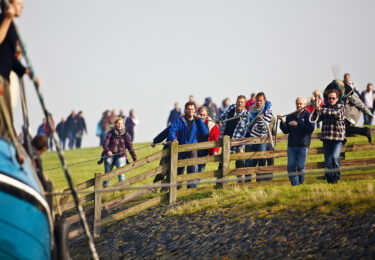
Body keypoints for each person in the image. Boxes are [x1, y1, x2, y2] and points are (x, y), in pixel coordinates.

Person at [0, 0, 40, 122]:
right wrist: (7, 19)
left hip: (5, 78)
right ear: (9, 5)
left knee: (6, 125)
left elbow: (10, 58)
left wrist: (26, 71)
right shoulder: (3, 20)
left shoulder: (12, 26)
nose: (22, 6)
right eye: (18, 3)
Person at [169, 102, 208, 188]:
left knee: (192, 169)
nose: (190, 111)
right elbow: (172, 130)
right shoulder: (180, 121)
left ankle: (190, 189)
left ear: (195, 110)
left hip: (193, 148)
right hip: (181, 148)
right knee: (179, 169)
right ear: (185, 110)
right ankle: (177, 189)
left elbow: (205, 132)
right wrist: (173, 138)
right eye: (188, 109)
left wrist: (200, 121)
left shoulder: (197, 121)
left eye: (192, 109)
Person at [278, 97, 315, 186]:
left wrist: (298, 124)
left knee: (300, 166)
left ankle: (300, 183)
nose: (299, 105)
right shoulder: (290, 116)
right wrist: (282, 121)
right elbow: (286, 130)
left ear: (305, 105)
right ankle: (296, 186)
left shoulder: (309, 116)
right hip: (291, 145)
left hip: (303, 145)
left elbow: (310, 129)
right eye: (297, 104)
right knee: (290, 167)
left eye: (300, 104)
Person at [314, 84, 346, 184]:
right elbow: (317, 119)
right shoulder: (325, 106)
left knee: (335, 157)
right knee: (327, 160)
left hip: (338, 138)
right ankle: (329, 179)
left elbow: (336, 114)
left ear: (337, 98)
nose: (331, 100)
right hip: (327, 137)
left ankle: (336, 177)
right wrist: (316, 109)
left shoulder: (340, 105)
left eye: (333, 98)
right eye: (329, 98)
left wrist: (321, 110)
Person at [217, 95, 248, 181]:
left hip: (239, 143)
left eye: (242, 102)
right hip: (226, 140)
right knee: (222, 163)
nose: (239, 103)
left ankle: (241, 183)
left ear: (245, 104)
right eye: (238, 101)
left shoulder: (246, 115)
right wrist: (219, 120)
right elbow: (222, 116)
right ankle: (220, 182)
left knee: (240, 164)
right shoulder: (231, 108)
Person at [244, 92, 273, 182]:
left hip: (262, 139)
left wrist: (260, 119)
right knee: (249, 159)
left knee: (262, 159)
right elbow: (247, 123)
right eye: (257, 100)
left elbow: (265, 127)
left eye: (261, 101)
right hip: (251, 138)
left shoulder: (268, 112)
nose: (259, 102)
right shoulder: (251, 110)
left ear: (264, 101)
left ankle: (260, 180)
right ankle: (248, 181)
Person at [102, 117, 136, 187]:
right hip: (110, 155)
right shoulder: (110, 133)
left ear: (123, 125)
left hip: (121, 155)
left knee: (121, 173)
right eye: (118, 123)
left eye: (121, 123)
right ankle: (105, 187)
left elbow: (130, 146)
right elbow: (105, 144)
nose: (120, 125)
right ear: (115, 124)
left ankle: (121, 189)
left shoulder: (125, 134)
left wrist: (134, 157)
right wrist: (108, 151)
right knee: (107, 173)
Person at [196, 106, 220, 174]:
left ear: (207, 115)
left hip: (205, 150)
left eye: (203, 115)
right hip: (194, 149)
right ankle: (192, 184)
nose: (201, 116)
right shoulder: (194, 122)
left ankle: (195, 184)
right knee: (193, 168)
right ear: (197, 114)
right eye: (200, 114)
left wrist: (215, 151)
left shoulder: (212, 125)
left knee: (201, 170)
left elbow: (216, 139)